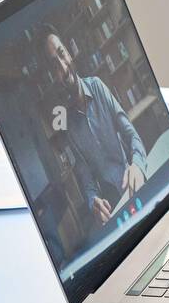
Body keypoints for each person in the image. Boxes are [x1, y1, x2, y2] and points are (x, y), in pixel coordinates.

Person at [42, 25, 147, 227]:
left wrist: (138, 165)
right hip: (113, 206)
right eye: (55, 66)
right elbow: (86, 179)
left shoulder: (97, 86)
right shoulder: (66, 124)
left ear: (69, 53)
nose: (63, 68)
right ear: (53, 76)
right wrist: (93, 202)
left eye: (62, 55)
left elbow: (131, 134)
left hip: (134, 180)